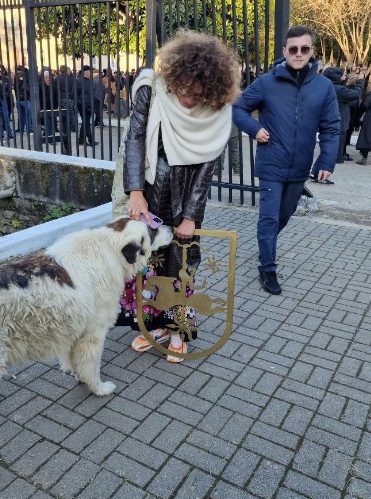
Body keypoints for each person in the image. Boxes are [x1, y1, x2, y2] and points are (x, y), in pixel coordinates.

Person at [117, 30, 240, 362]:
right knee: (147, 261)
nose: (188, 100)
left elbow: (207, 167)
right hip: (150, 187)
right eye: (184, 90)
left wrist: (190, 216)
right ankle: (154, 326)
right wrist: (136, 193)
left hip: (187, 194)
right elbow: (135, 138)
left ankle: (179, 330)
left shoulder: (218, 109)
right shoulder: (150, 89)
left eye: (198, 94)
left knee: (181, 263)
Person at [232, 25, 340, 295]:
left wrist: (326, 162)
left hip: (300, 166)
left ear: (311, 51)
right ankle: (267, 268)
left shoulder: (324, 86)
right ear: (285, 51)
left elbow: (331, 127)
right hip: (271, 163)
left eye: (305, 49)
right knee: (268, 218)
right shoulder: (267, 83)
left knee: (285, 214)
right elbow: (238, 108)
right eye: (294, 49)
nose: (299, 54)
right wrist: (255, 129)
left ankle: (265, 244)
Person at [309, 65, 364, 181]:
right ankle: (319, 173)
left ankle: (316, 172)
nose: (345, 77)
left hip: (333, 121)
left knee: (328, 150)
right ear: (337, 78)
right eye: (343, 75)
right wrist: (359, 82)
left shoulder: (329, 87)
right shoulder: (338, 90)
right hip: (337, 123)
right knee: (331, 150)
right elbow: (355, 95)